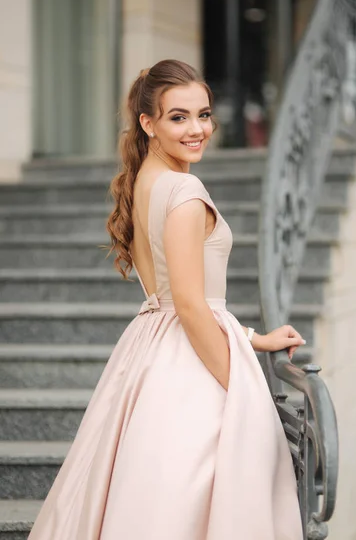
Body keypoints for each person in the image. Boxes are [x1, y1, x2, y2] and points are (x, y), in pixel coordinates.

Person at [28, 59, 303, 539]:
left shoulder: (144, 181)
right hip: (187, 361)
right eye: (179, 117)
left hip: (153, 348)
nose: (198, 129)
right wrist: (238, 385)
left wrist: (253, 338)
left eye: (204, 114)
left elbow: (177, 300)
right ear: (147, 123)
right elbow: (192, 307)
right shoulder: (184, 189)